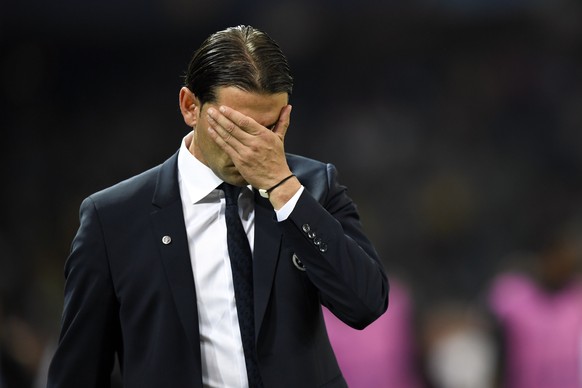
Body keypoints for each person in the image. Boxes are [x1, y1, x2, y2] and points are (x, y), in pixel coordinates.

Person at [47, 25, 389, 388]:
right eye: (234, 128)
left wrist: (284, 190)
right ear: (190, 107)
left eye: (269, 127)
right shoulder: (112, 219)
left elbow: (365, 304)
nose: (253, 146)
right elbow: (78, 373)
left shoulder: (313, 187)